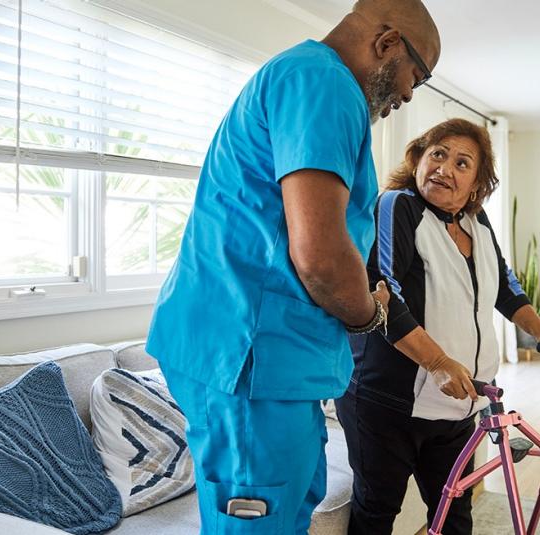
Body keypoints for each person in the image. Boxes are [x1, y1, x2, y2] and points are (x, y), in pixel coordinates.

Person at [145, 1, 441, 533]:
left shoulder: (305, 78)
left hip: (254, 354)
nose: (408, 94)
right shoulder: (325, 85)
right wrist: (366, 314)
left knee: (290, 506)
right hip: (250, 356)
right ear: (388, 43)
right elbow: (322, 257)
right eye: (416, 75)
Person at [336, 118, 540, 535]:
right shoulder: (397, 205)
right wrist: (436, 362)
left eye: (462, 162)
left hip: (458, 402)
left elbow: (505, 285)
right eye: (438, 154)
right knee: (377, 510)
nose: (445, 168)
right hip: (386, 402)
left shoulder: (477, 222)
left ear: (477, 184)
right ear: (417, 159)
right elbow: (384, 291)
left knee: (454, 510)